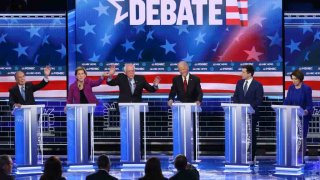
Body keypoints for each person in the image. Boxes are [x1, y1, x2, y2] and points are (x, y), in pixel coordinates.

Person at [66, 66, 109, 159]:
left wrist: (102, 76)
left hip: (89, 111)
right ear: (76, 76)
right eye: (79, 74)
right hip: (78, 112)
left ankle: (88, 153)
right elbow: (69, 99)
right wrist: (67, 106)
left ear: (85, 75)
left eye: (82, 73)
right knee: (79, 132)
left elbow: (97, 82)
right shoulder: (72, 86)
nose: (81, 75)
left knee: (88, 132)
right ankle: (79, 152)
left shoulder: (88, 82)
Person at [233, 65, 264, 164]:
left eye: (243, 72)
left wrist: (247, 108)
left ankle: (252, 156)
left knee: (251, 135)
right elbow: (235, 96)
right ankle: (240, 155)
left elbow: (259, 100)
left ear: (249, 73)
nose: (241, 74)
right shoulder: (239, 83)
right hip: (239, 114)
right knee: (240, 134)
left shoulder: (257, 85)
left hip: (252, 114)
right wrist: (239, 107)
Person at [284, 69, 313, 159]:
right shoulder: (291, 88)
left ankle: (301, 158)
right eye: (292, 79)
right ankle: (291, 158)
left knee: (301, 138)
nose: (293, 81)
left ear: (300, 79)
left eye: (295, 79)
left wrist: (306, 111)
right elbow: (287, 101)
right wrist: (283, 108)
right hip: (292, 117)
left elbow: (309, 104)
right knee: (292, 137)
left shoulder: (306, 89)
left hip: (302, 118)